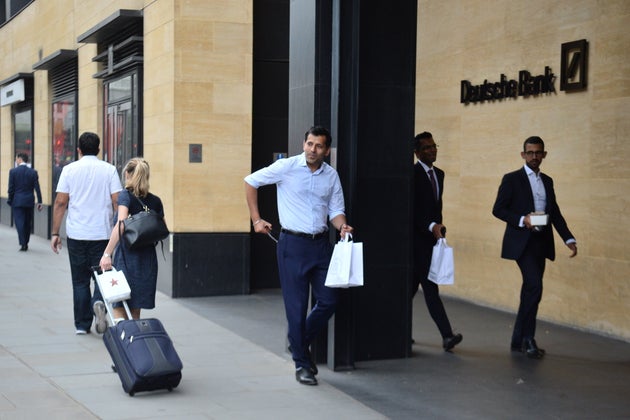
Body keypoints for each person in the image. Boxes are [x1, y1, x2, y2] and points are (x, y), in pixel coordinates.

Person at [244, 126, 354, 386]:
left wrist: (342, 226)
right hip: (292, 245)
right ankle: (302, 364)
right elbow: (250, 181)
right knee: (295, 308)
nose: (312, 150)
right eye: (309, 144)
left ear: (327, 150)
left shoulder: (331, 176)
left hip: (320, 246)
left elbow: (336, 210)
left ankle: (299, 344)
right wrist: (256, 219)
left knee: (329, 300)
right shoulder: (287, 167)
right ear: (303, 143)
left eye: (318, 146)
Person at [492, 136, 577, 359]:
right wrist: (522, 220)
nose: (534, 157)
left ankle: (517, 339)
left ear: (544, 155)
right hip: (522, 243)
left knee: (530, 291)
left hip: (542, 242)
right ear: (523, 155)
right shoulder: (511, 179)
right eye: (530, 153)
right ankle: (529, 338)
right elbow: (498, 209)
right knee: (535, 286)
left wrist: (568, 238)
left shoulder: (547, 181)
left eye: (538, 153)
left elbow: (554, 213)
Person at [51, 132, 123, 335]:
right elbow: (118, 201)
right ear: (99, 149)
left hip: (77, 234)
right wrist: (118, 228)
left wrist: (55, 232)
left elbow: (60, 202)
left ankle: (82, 325)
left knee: (80, 280)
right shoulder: (109, 170)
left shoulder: (69, 170)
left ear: (78, 150)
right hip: (102, 234)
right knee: (102, 274)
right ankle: (99, 302)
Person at [412, 132, 463, 351]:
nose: (432, 150)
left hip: (432, 241)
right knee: (431, 288)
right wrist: (431, 226)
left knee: (408, 291)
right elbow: (412, 209)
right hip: (415, 241)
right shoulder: (411, 174)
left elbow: (436, 207)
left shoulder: (439, 174)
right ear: (417, 153)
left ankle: (398, 332)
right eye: (426, 148)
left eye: (434, 146)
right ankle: (447, 335)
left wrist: (438, 227)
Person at [99, 158, 165, 321]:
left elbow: (120, 225)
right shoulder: (155, 201)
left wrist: (107, 254)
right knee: (135, 310)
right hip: (147, 260)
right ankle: (133, 343)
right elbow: (162, 229)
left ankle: (123, 342)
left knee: (120, 306)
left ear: (128, 174)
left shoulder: (125, 196)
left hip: (128, 258)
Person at [7, 153, 43, 251]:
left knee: (19, 222)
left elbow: (11, 188)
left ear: (19, 159)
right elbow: (37, 188)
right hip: (29, 201)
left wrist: (10, 199)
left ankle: (23, 243)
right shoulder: (33, 172)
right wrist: (40, 201)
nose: (16, 160)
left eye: (16, 159)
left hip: (17, 201)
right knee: (27, 222)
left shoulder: (13, 172)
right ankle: (25, 241)